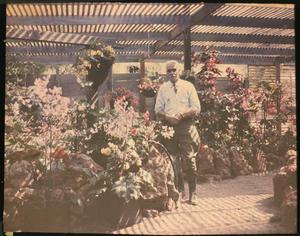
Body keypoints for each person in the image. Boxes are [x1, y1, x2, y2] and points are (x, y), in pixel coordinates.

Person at [155, 60, 201, 205]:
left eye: (174, 70)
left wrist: (181, 115)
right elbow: (157, 110)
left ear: (179, 71)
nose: (172, 73)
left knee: (190, 159)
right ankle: (179, 191)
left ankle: (193, 193)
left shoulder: (188, 86)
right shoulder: (163, 88)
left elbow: (196, 108)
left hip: (185, 125)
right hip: (169, 127)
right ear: (166, 73)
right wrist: (168, 117)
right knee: (173, 160)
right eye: (169, 71)